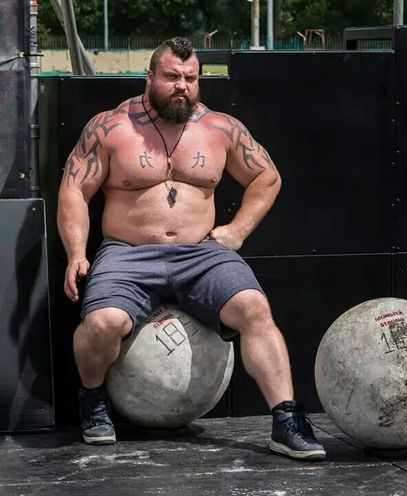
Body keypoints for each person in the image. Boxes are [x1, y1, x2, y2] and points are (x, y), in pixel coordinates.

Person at [57, 37, 326, 461]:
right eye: (171, 77)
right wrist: (76, 252)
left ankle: (286, 419)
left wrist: (237, 230)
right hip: (128, 253)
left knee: (254, 308)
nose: (181, 85)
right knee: (102, 322)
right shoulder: (111, 127)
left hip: (199, 253)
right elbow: (74, 189)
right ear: (150, 77)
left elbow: (267, 178)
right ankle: (93, 399)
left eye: (190, 78)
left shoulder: (219, 128)